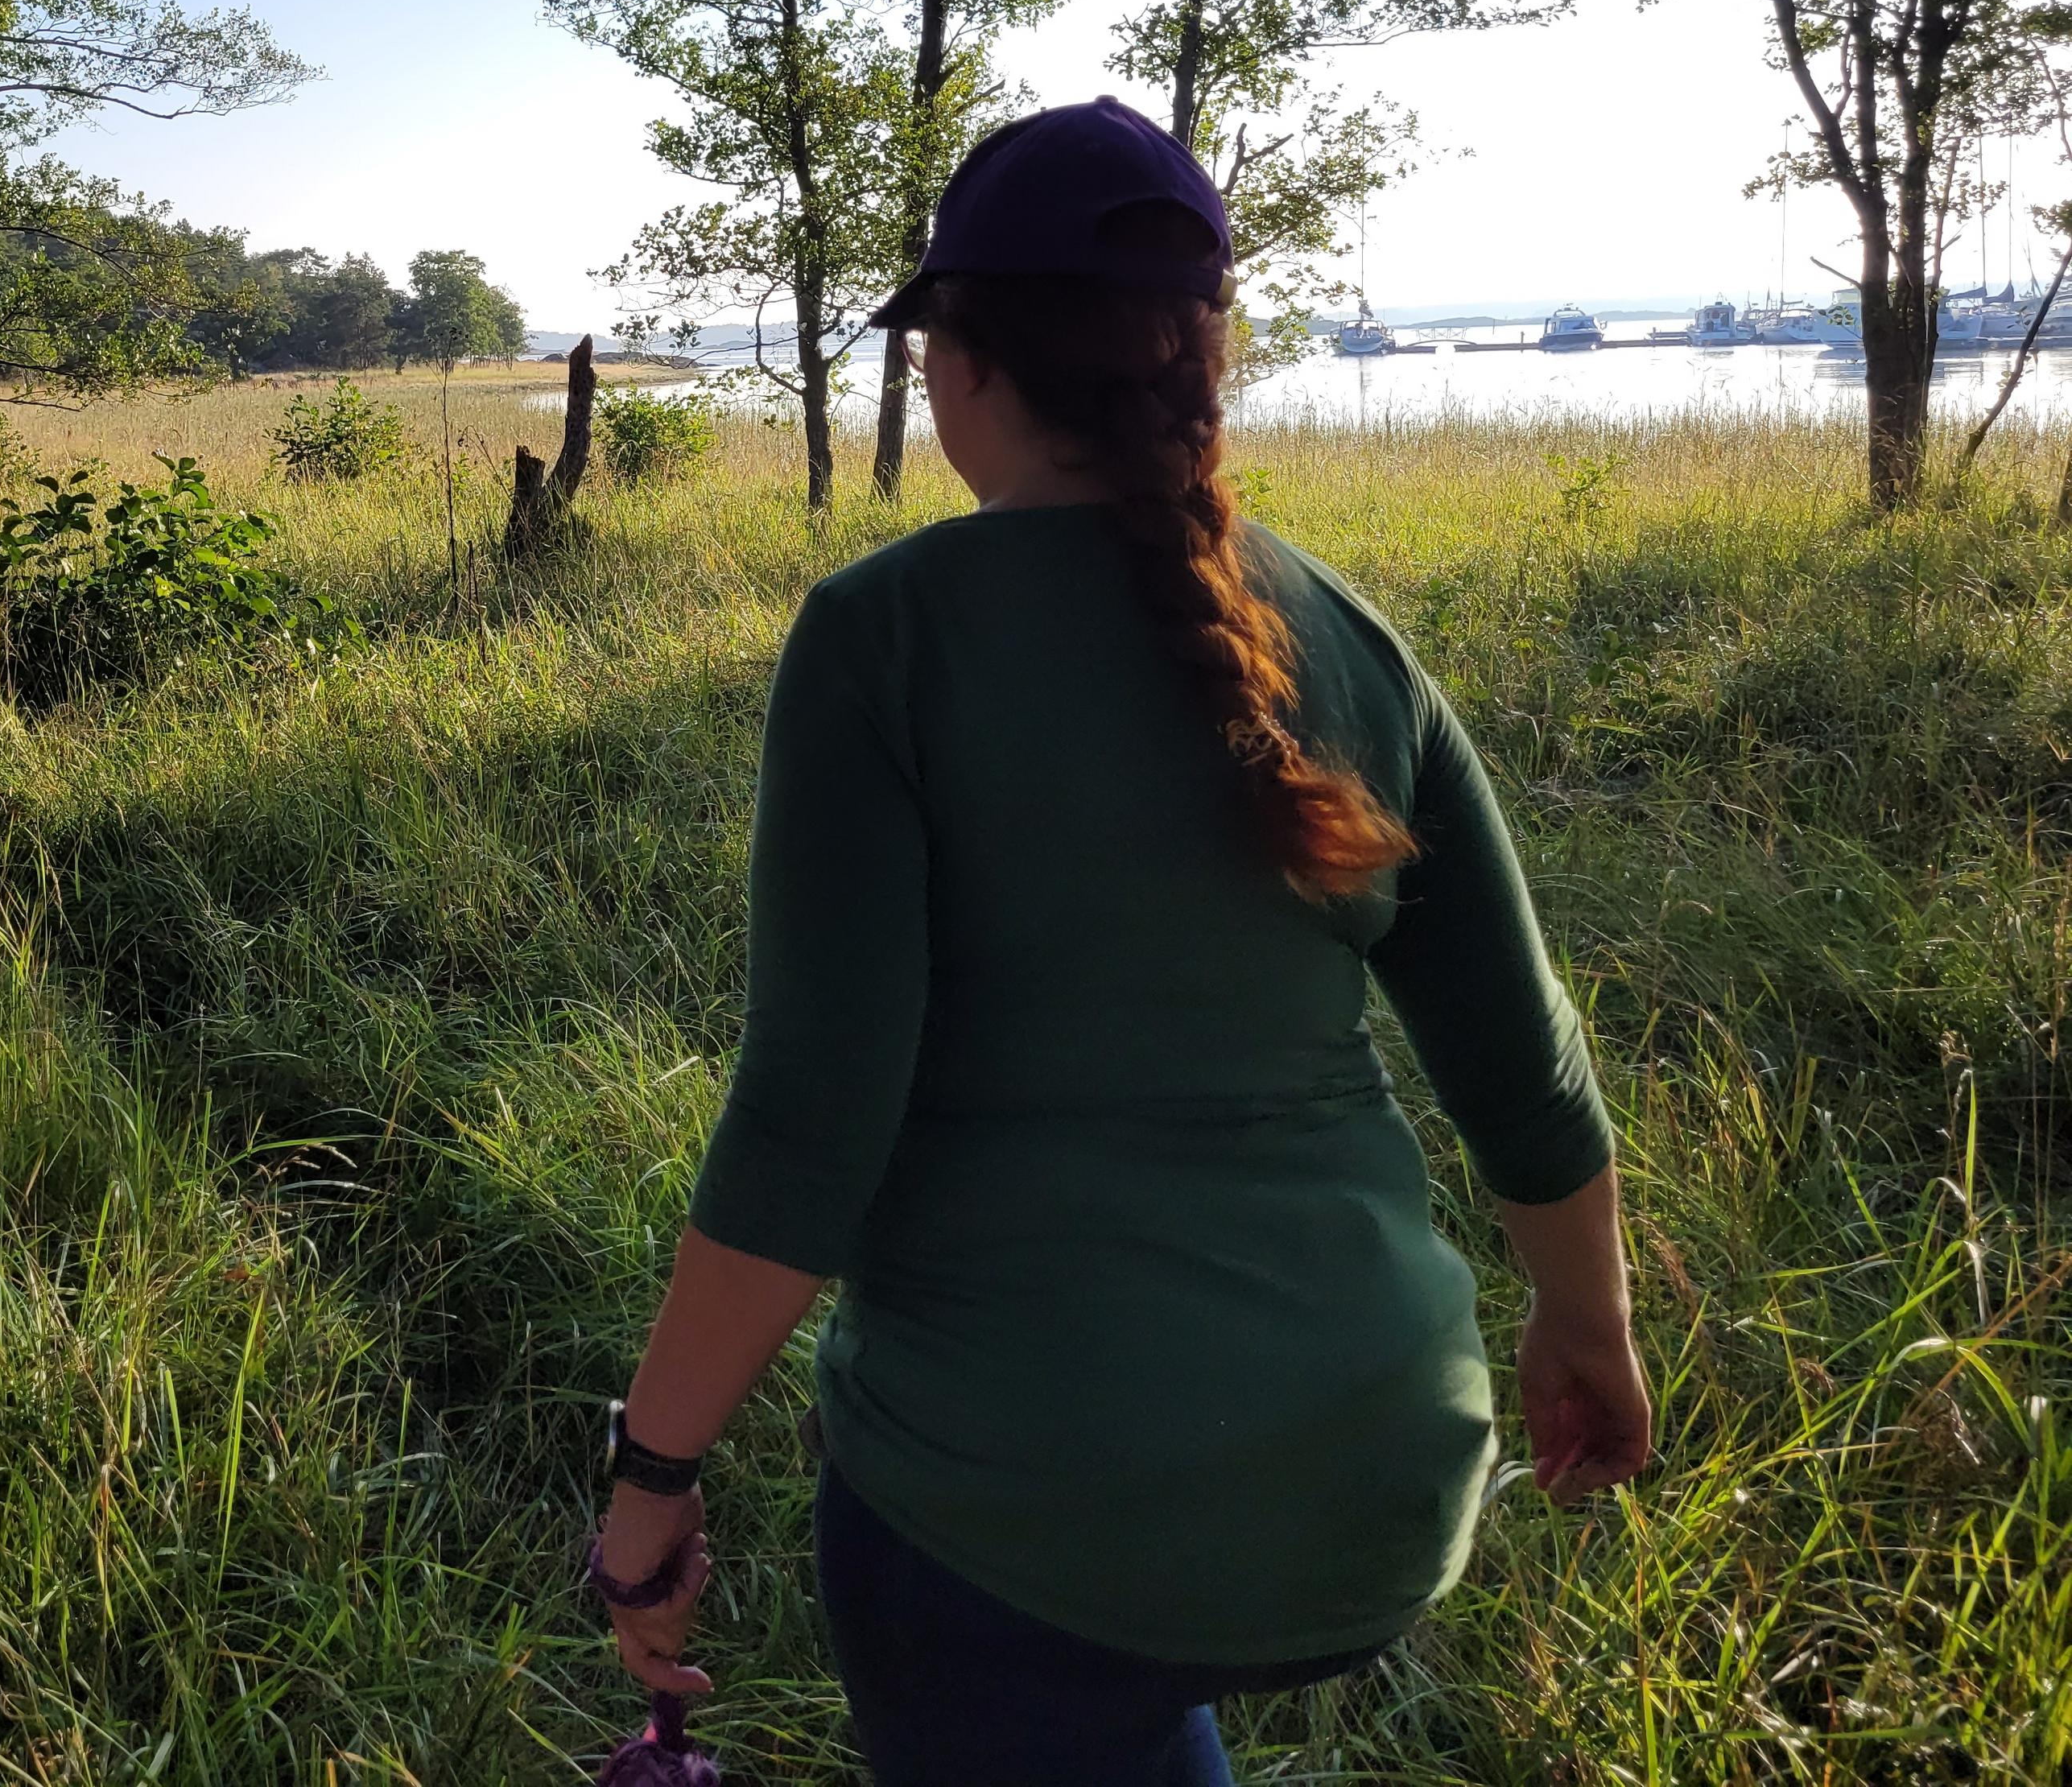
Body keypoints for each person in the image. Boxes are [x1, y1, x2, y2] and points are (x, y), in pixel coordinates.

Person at [585, 100, 1652, 1787]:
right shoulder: (1346, 637)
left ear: (960, 363)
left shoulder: (880, 641)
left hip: (1022, 1495)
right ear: (1201, 355)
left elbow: (810, 1118)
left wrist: (651, 1475)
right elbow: (1522, 1066)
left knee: (1056, 1656)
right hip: (1380, 1457)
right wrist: (1588, 1332)